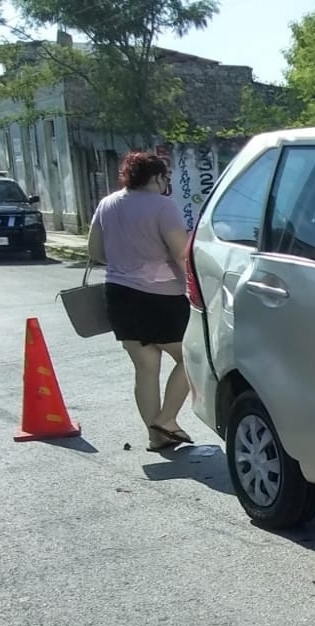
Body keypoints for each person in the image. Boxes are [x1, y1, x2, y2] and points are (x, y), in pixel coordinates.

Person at [87, 151, 193, 452]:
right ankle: (168, 419)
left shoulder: (107, 204)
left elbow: (95, 250)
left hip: (119, 294)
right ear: (157, 177)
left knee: (145, 368)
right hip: (161, 295)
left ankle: (155, 436)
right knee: (191, 357)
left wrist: (126, 262)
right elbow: (180, 252)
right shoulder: (163, 206)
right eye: (165, 178)